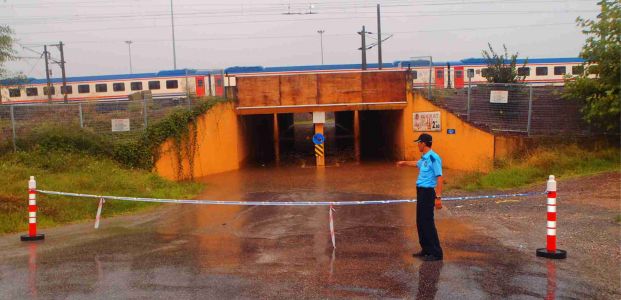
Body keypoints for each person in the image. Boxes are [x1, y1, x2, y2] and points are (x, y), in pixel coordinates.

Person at [397, 133, 444, 261]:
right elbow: (416, 163)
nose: (417, 145)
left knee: (428, 222)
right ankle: (426, 249)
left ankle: (436, 253)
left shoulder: (434, 158)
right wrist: (404, 163)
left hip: (428, 192)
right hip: (421, 191)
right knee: (420, 221)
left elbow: (439, 177)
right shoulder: (424, 158)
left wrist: (438, 198)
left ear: (423, 143)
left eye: (418, 142)